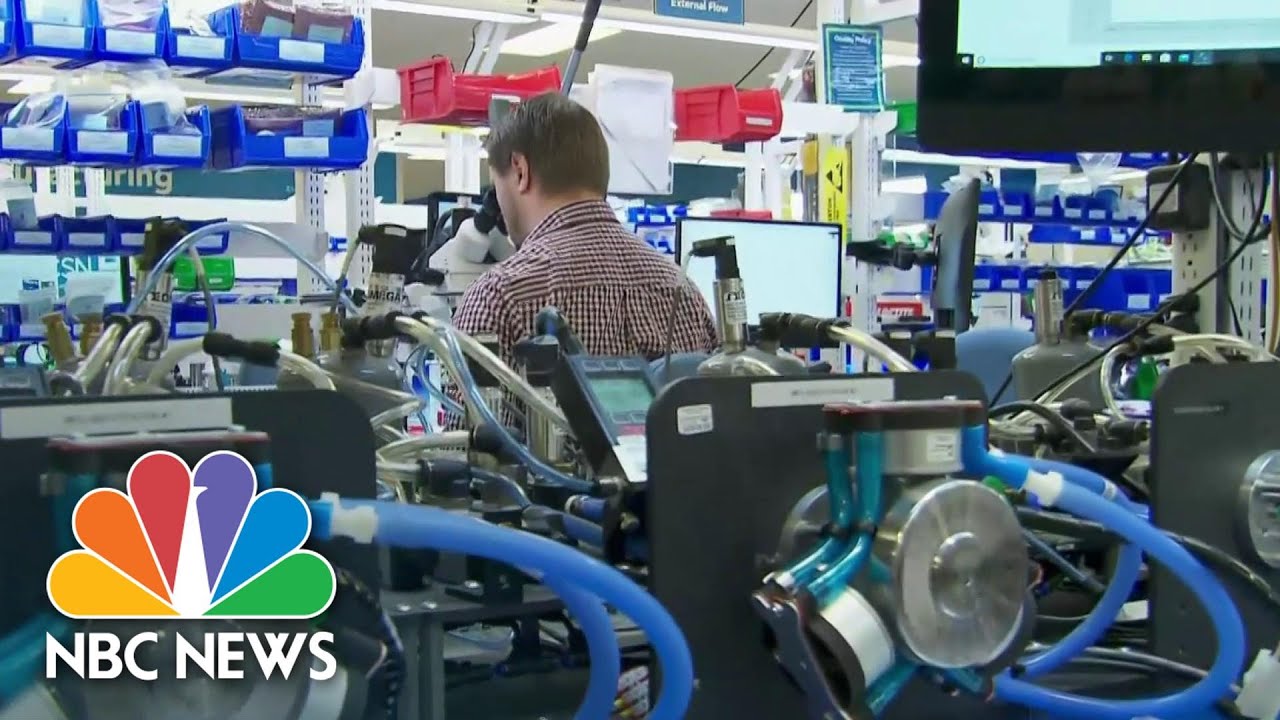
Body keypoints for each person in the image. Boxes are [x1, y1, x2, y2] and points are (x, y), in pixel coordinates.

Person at [450, 93, 719, 399]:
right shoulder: (684, 291)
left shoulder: (499, 295)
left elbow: (464, 426)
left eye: (498, 186)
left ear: (520, 170)